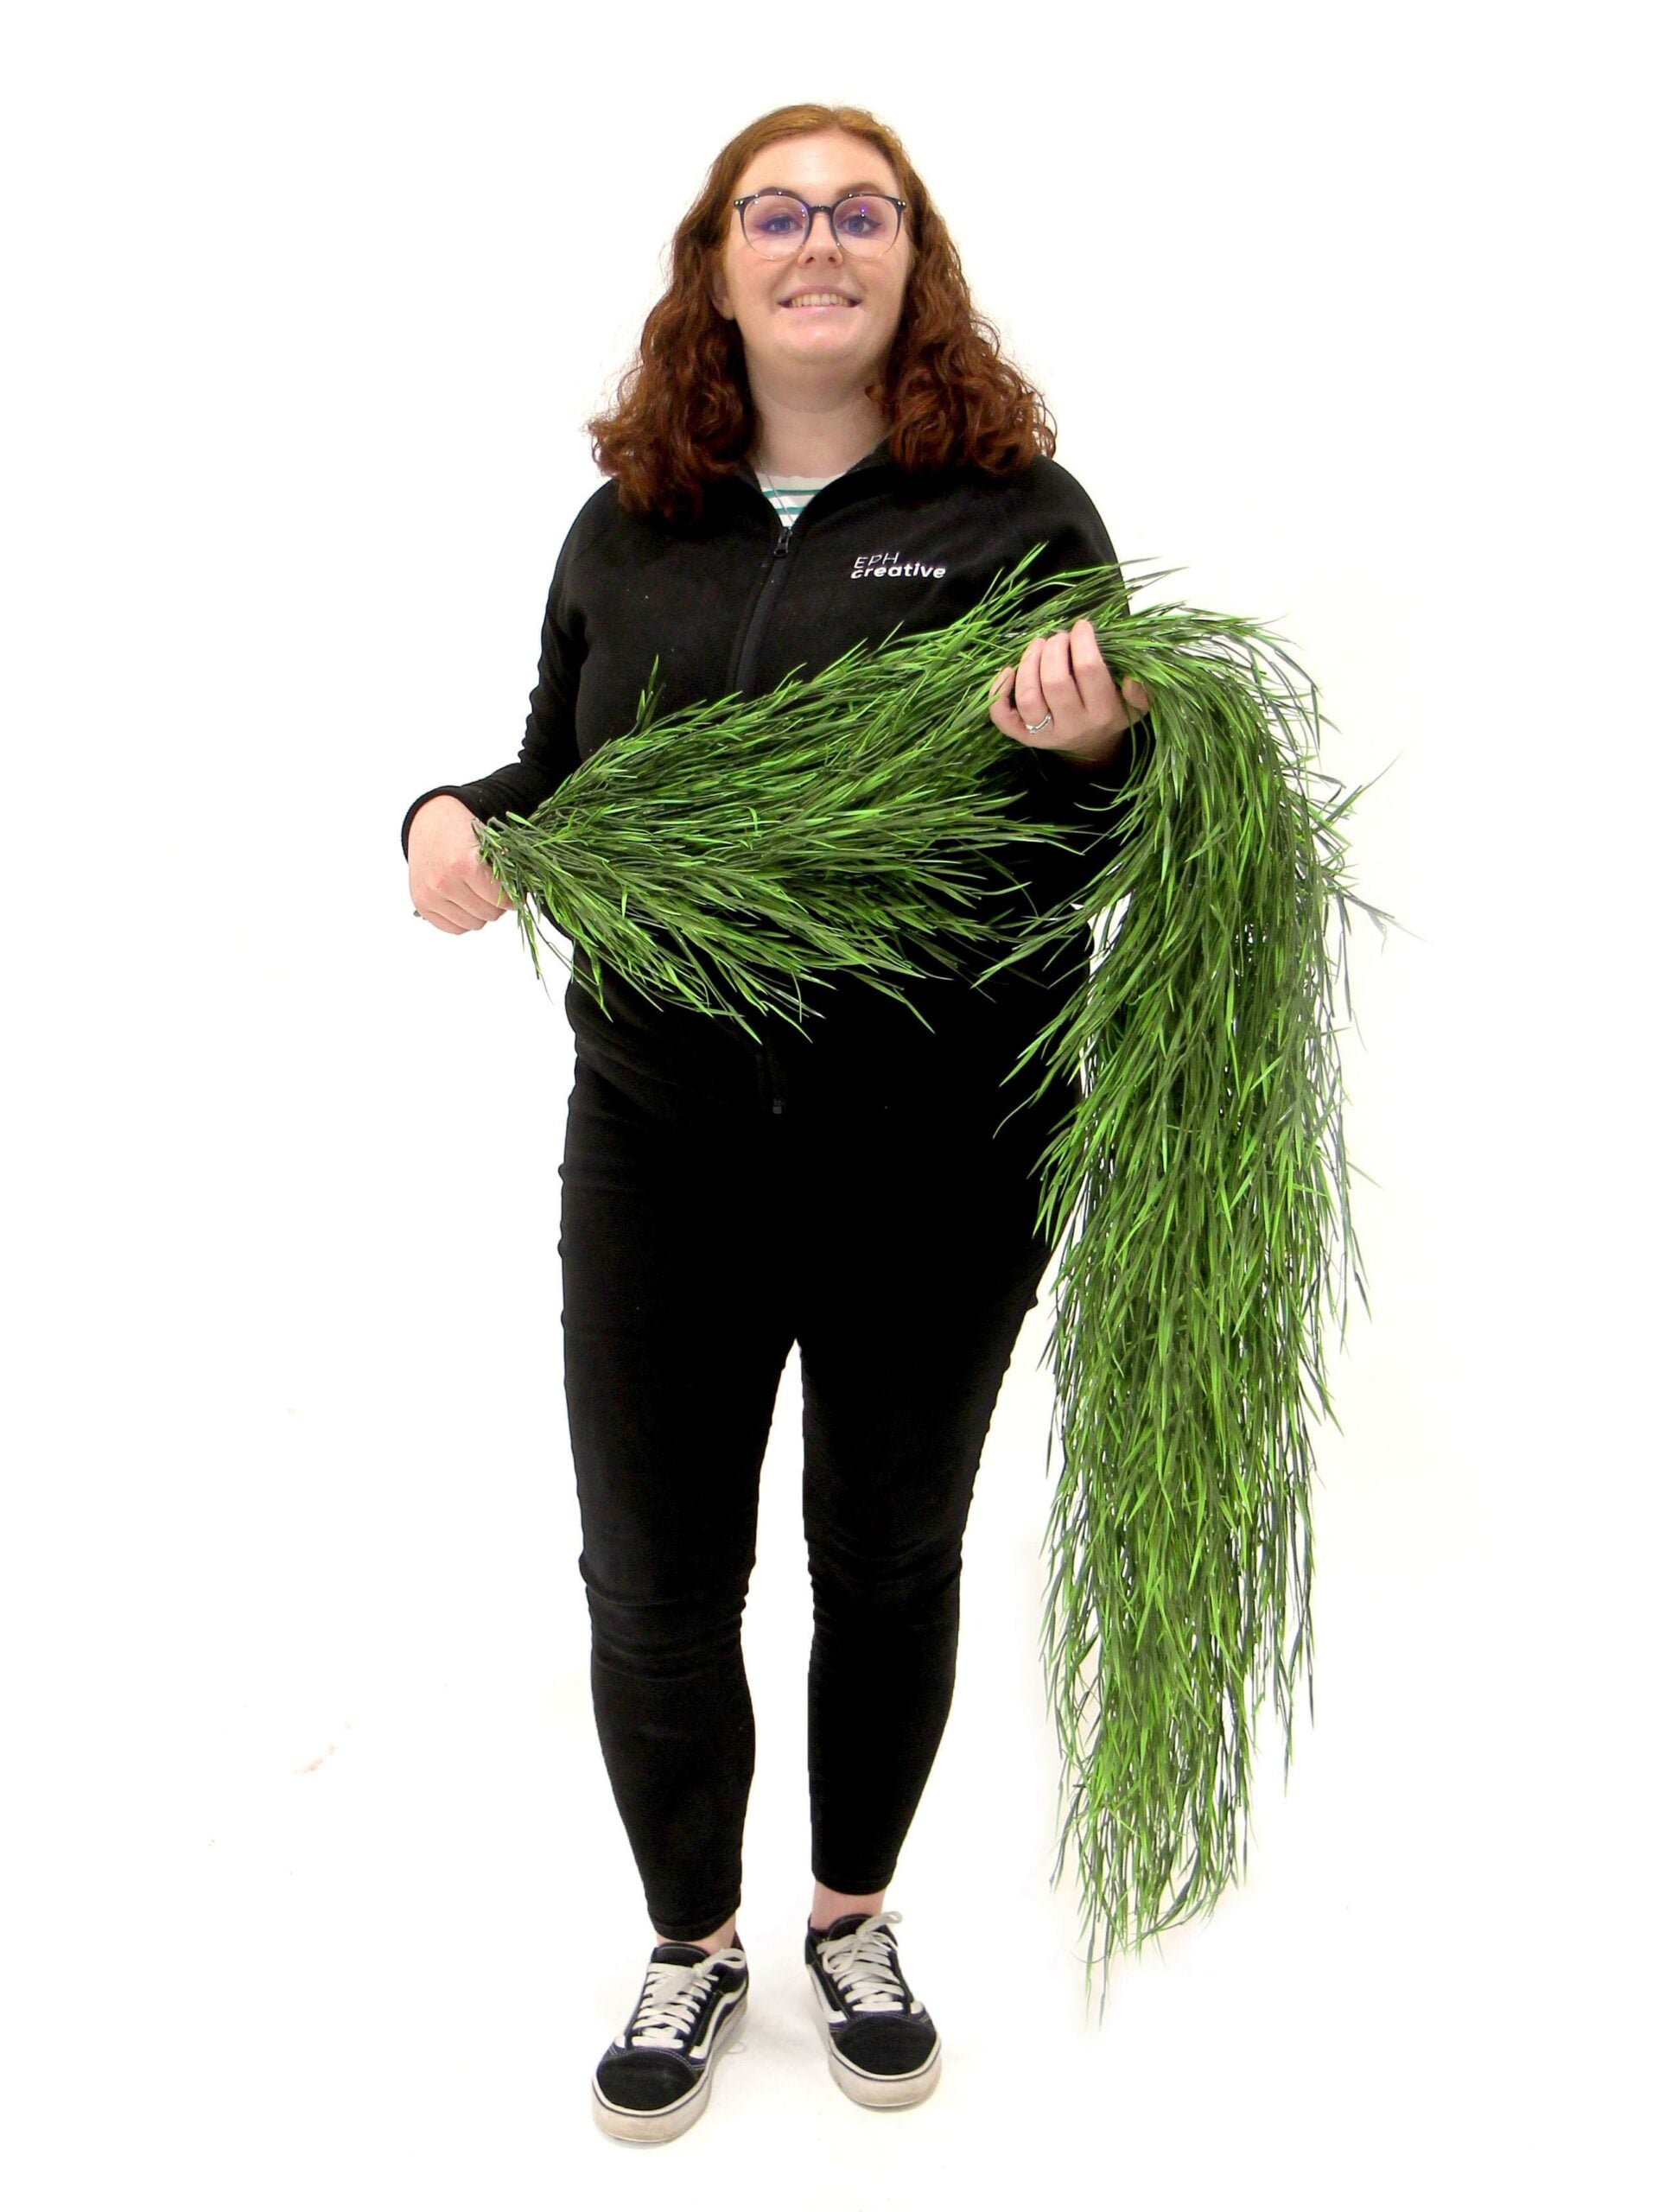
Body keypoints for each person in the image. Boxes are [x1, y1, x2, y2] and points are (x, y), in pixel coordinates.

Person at [403, 102, 1152, 2145]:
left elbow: (1088, 851)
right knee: (654, 1572)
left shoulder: (1016, 515)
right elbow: (562, 775)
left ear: (916, 259)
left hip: (945, 1139)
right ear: (716, 265)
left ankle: (850, 1916)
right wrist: (450, 815)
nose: (820, 241)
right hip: (664, 1138)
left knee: (886, 1554)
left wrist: (1100, 753)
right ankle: (693, 1936)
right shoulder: (630, 526)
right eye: (777, 212)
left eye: (861, 211)